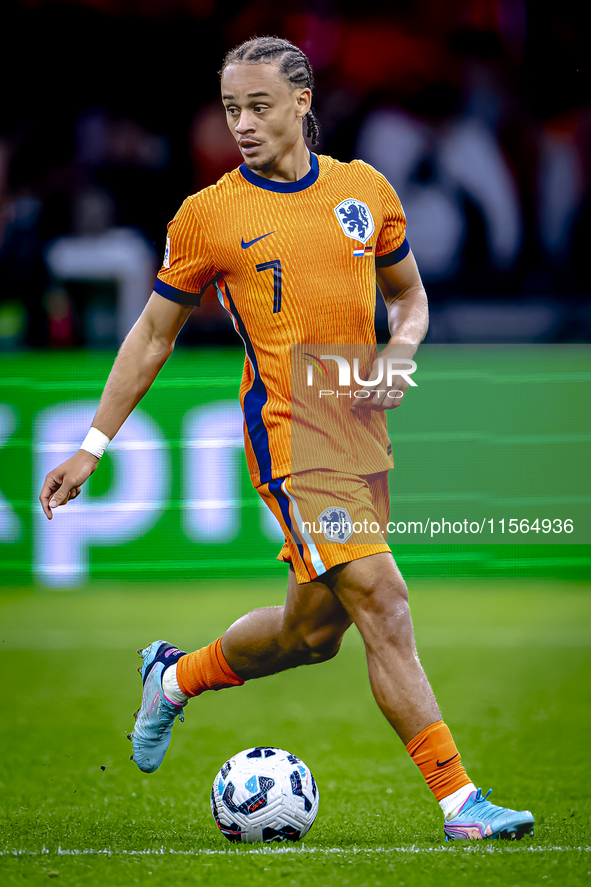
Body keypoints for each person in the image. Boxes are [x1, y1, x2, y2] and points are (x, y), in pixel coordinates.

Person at [39, 36, 534, 842]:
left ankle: (173, 676)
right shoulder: (207, 215)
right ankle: (460, 801)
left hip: (359, 432)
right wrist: (93, 444)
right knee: (383, 597)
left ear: (303, 103)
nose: (241, 122)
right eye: (231, 107)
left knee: (312, 635)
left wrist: (401, 350)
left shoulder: (363, 190)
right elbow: (152, 335)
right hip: (292, 438)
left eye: (258, 105)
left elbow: (409, 297)